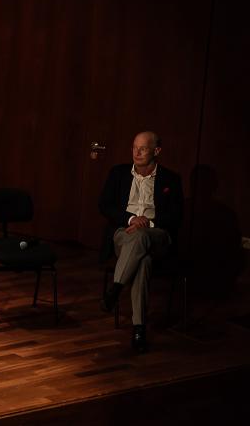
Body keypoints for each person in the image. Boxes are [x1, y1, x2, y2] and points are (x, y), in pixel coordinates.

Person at [98, 131, 184, 352]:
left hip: (157, 235)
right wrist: (131, 219)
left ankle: (116, 289)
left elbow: (176, 217)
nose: (136, 152)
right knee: (142, 261)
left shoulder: (171, 179)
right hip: (123, 232)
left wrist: (148, 223)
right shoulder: (118, 173)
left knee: (142, 235)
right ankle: (139, 329)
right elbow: (105, 206)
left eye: (143, 148)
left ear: (156, 151)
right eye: (134, 147)